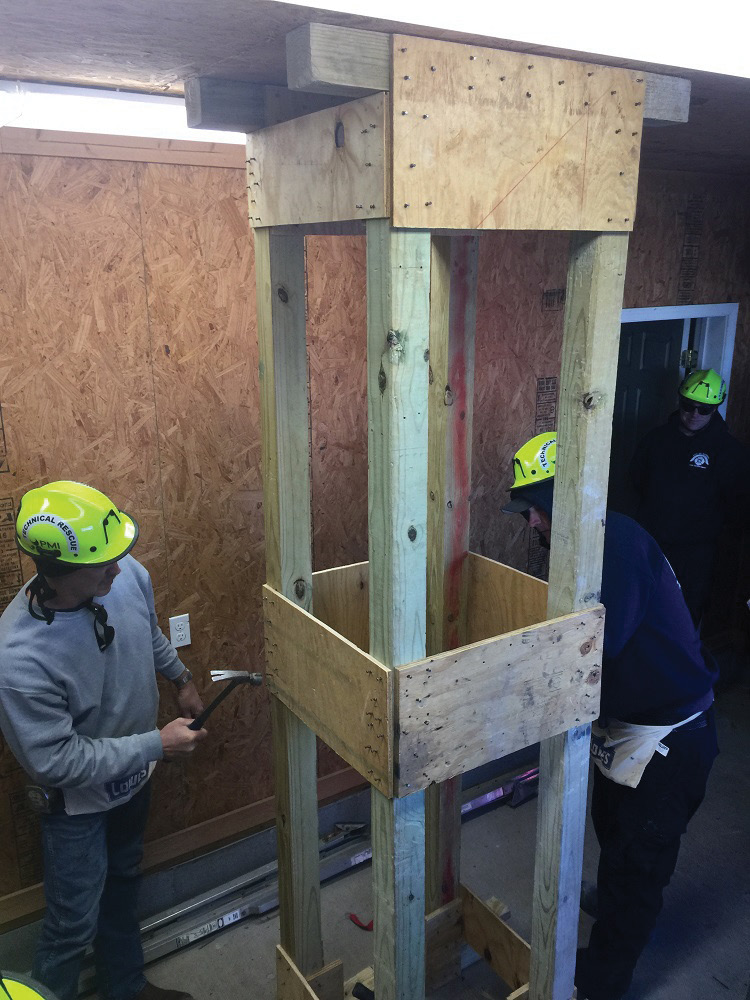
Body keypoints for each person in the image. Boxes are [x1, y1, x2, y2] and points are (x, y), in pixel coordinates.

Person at [503, 433, 719, 1000]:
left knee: (636, 865)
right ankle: (618, 899)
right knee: (612, 826)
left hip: (671, 737)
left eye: (537, 507)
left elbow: (591, 661)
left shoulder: (615, 547)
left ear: (566, 496)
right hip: (627, 726)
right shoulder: (585, 547)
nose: (532, 523)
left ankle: (602, 982)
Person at [0, 481, 208, 1000]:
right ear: (56, 572)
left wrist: (181, 679)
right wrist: (156, 745)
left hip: (134, 779)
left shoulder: (124, 573)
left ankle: (126, 989)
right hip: (77, 807)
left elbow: (148, 632)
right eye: (104, 565)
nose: (121, 569)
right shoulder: (20, 657)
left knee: (121, 887)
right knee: (72, 922)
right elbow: (58, 761)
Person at [629, 367, 749, 626]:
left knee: (685, 614)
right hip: (652, 542)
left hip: (697, 552)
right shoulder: (656, 440)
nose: (694, 414)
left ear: (715, 408)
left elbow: (738, 504)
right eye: (688, 406)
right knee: (643, 607)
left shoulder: (729, 452)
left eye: (704, 409)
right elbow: (637, 480)